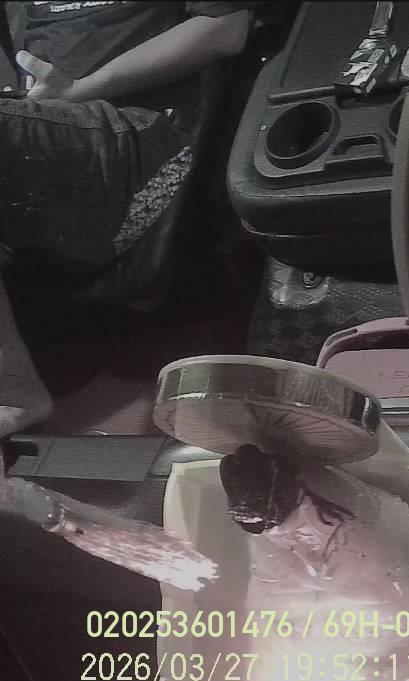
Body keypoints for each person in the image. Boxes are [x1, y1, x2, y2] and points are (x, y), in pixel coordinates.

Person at [0, 1, 262, 436]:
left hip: (141, 135)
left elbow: (224, 28)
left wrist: (78, 89)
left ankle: (12, 393)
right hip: (44, 141)